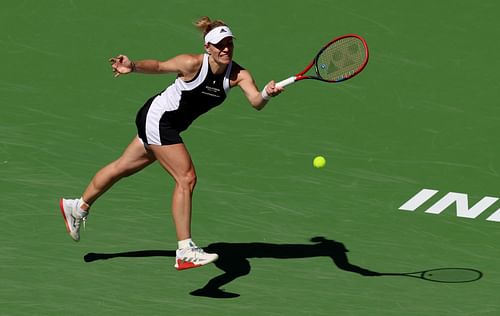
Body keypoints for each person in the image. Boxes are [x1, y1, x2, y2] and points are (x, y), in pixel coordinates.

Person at [59, 16, 284, 271]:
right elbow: (158, 66)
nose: (226, 49)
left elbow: (255, 101)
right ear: (207, 47)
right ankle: (185, 249)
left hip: (167, 125)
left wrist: (266, 93)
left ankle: (78, 206)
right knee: (186, 178)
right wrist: (132, 66)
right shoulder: (191, 63)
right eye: (220, 44)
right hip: (158, 118)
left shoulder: (239, 74)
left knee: (122, 167)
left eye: (230, 44)